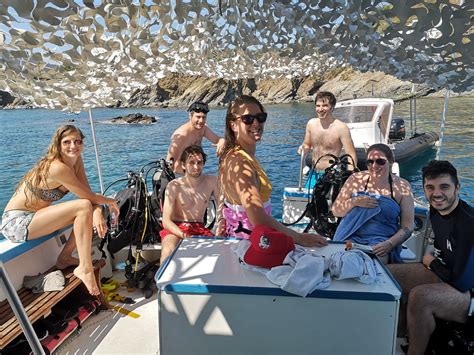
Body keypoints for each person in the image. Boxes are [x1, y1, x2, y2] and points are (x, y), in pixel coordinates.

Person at [0, 125, 119, 296]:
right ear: (58, 144)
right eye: (67, 142)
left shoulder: (76, 160)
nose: (73, 146)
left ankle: (64, 258)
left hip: (35, 218)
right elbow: (88, 199)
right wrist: (108, 202)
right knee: (83, 207)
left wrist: (98, 210)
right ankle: (84, 269)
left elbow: (88, 194)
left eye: (78, 141)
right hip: (16, 223)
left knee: (85, 208)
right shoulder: (57, 167)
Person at [387, 160, 474, 355]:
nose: (436, 194)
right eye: (430, 187)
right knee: (389, 275)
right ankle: (402, 333)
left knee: (420, 296)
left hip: (469, 291)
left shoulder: (468, 224)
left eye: (444, 187)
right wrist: (433, 256)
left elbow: (462, 282)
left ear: (457, 188)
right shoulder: (436, 210)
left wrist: (431, 262)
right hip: (451, 275)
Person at [218, 94, 328, 248]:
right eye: (247, 119)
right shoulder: (241, 164)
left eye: (260, 117)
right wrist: (298, 237)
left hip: (240, 240)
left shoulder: (235, 155)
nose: (256, 123)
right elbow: (257, 218)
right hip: (250, 246)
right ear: (233, 125)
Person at [331, 143, 414, 263]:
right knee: (344, 261)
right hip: (350, 236)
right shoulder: (355, 180)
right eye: (370, 162)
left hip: (381, 240)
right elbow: (336, 211)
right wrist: (354, 202)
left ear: (391, 162)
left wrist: (389, 244)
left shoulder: (402, 187)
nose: (374, 166)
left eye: (380, 161)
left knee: (375, 262)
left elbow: (408, 226)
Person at [160, 145, 220, 264]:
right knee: (168, 250)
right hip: (176, 228)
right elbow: (166, 221)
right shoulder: (174, 186)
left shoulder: (212, 181)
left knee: (217, 255)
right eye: (191, 163)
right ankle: (163, 282)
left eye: (199, 162)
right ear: (183, 165)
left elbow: (222, 208)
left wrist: (220, 227)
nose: (196, 167)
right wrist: (184, 235)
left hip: (199, 228)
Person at [297, 91, 357, 188]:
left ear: (332, 107)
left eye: (325, 105)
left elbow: (351, 154)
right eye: (318, 106)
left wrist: (349, 176)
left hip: (332, 175)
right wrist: (303, 148)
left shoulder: (341, 128)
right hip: (314, 174)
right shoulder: (311, 124)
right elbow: (307, 144)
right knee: (309, 201)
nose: (320, 109)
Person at [166, 101, 225, 174]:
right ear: (190, 116)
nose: (201, 121)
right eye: (198, 117)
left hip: (195, 173)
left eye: (204, 117)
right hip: (180, 176)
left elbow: (218, 140)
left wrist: (222, 142)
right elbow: (168, 165)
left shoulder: (203, 128)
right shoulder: (180, 135)